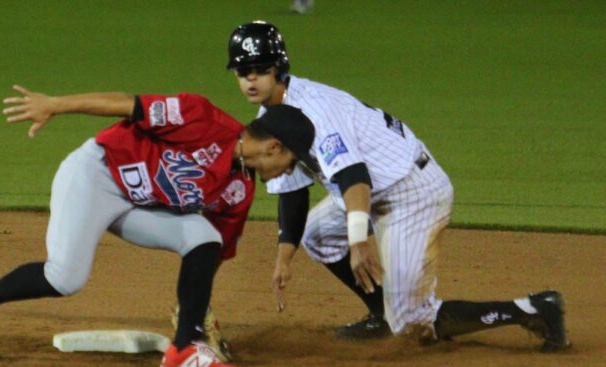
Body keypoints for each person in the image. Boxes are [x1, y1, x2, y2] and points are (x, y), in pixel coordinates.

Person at [224, 21, 571, 352]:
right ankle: (381, 315)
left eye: (261, 68)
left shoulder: (315, 109)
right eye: (243, 71)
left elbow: (353, 177)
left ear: (279, 68)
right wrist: (284, 258)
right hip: (371, 191)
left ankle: (534, 309)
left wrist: (359, 241)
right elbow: (293, 191)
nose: (251, 78)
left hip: (410, 191)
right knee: (316, 234)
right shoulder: (268, 123)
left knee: (412, 321)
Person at [0, 85, 316, 366]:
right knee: (64, 278)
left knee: (205, 236)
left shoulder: (241, 190)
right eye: (292, 163)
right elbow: (127, 104)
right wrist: (56, 105)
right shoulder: (201, 118)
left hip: (135, 206)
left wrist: (195, 309)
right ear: (275, 148)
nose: (288, 171)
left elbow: (209, 255)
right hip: (96, 176)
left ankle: (185, 346)